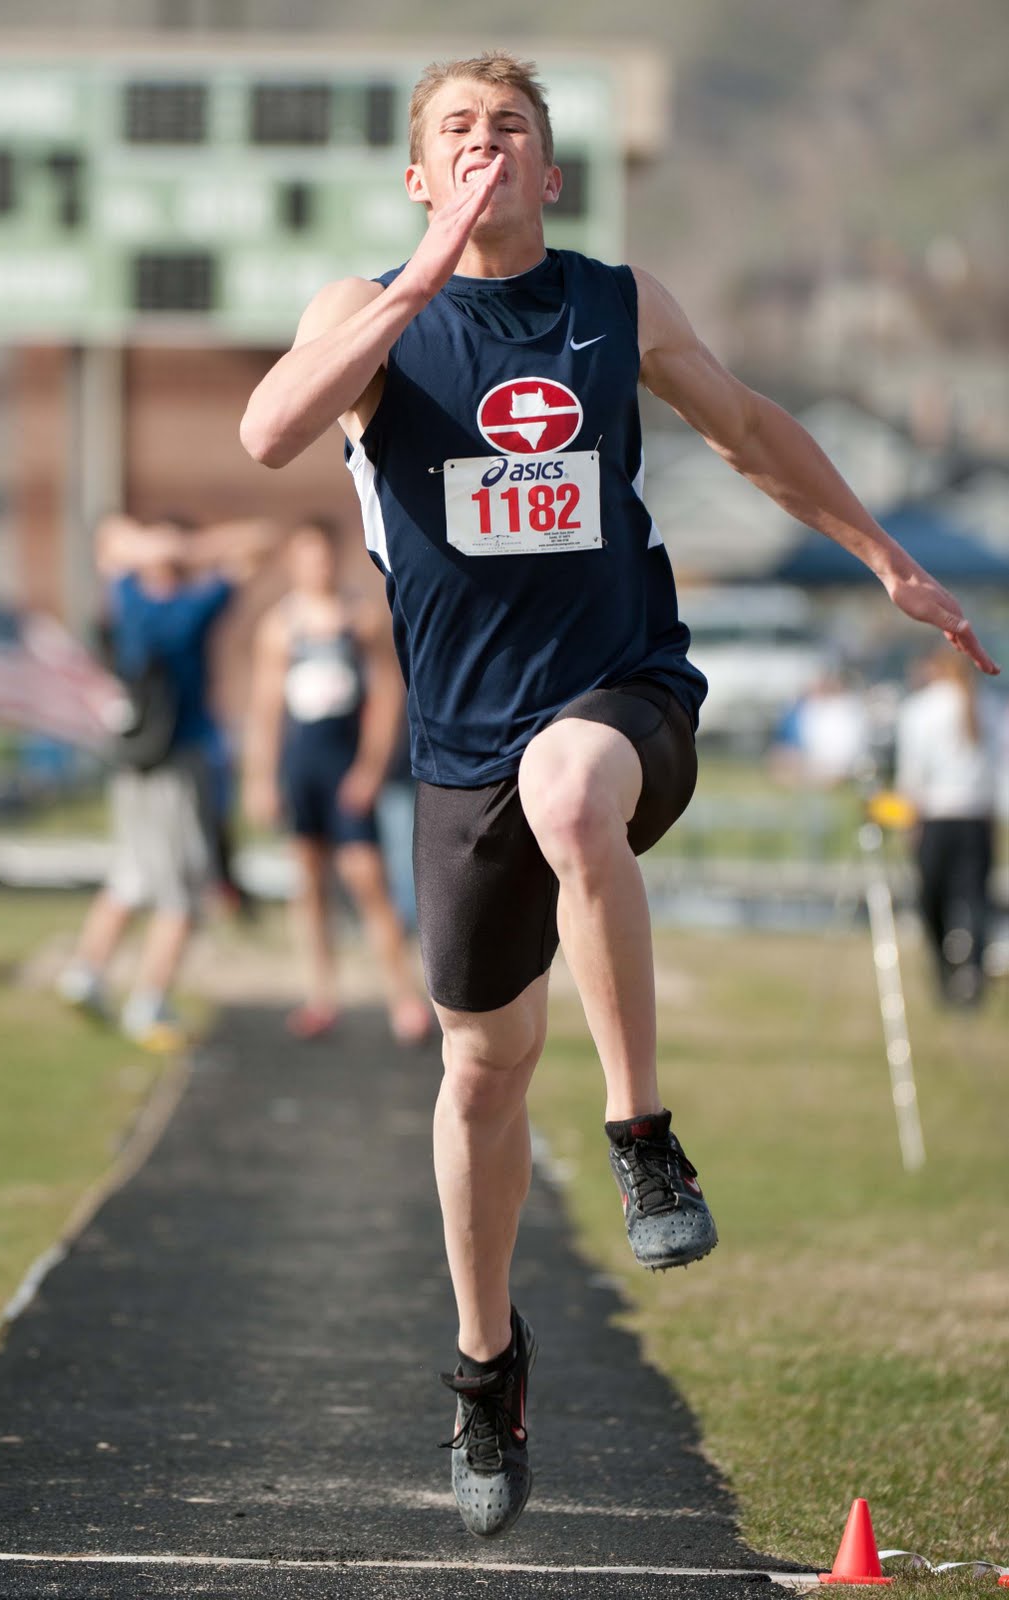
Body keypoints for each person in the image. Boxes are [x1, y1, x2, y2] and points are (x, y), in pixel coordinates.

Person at [239, 51, 1000, 1537]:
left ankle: (645, 1137)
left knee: (574, 787)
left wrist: (883, 557)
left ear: (551, 170)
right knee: (479, 1070)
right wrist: (422, 277)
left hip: (623, 694)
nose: (483, 148)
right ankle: (482, 1364)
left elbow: (752, 434)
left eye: (508, 129)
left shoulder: (613, 301)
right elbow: (270, 432)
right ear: (415, 174)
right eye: (454, 132)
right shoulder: (364, 315)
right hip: (458, 746)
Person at [57, 512, 275, 1050]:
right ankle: (148, 1004)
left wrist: (166, 548)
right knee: (181, 895)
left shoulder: (127, 596)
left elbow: (109, 542)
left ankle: (85, 974)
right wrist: (188, 550)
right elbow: (260, 540)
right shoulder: (192, 607)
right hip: (177, 764)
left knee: (131, 875)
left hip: (134, 763)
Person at [243, 518, 431, 1043]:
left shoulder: (361, 617)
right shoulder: (280, 626)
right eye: (306, 557)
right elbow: (263, 710)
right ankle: (320, 997)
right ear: (293, 563)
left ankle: (403, 1000)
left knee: (368, 881)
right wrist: (260, 779)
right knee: (308, 884)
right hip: (301, 766)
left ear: (336, 558)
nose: (317, 566)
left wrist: (370, 769)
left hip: (346, 766)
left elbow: (388, 699)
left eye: (324, 556)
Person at [895, 647, 1001, 1007]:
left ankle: (944, 970)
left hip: (936, 817)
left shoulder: (921, 709)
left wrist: (909, 820)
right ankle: (971, 972)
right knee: (974, 900)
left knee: (933, 900)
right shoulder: (990, 706)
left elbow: (912, 772)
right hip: (976, 817)